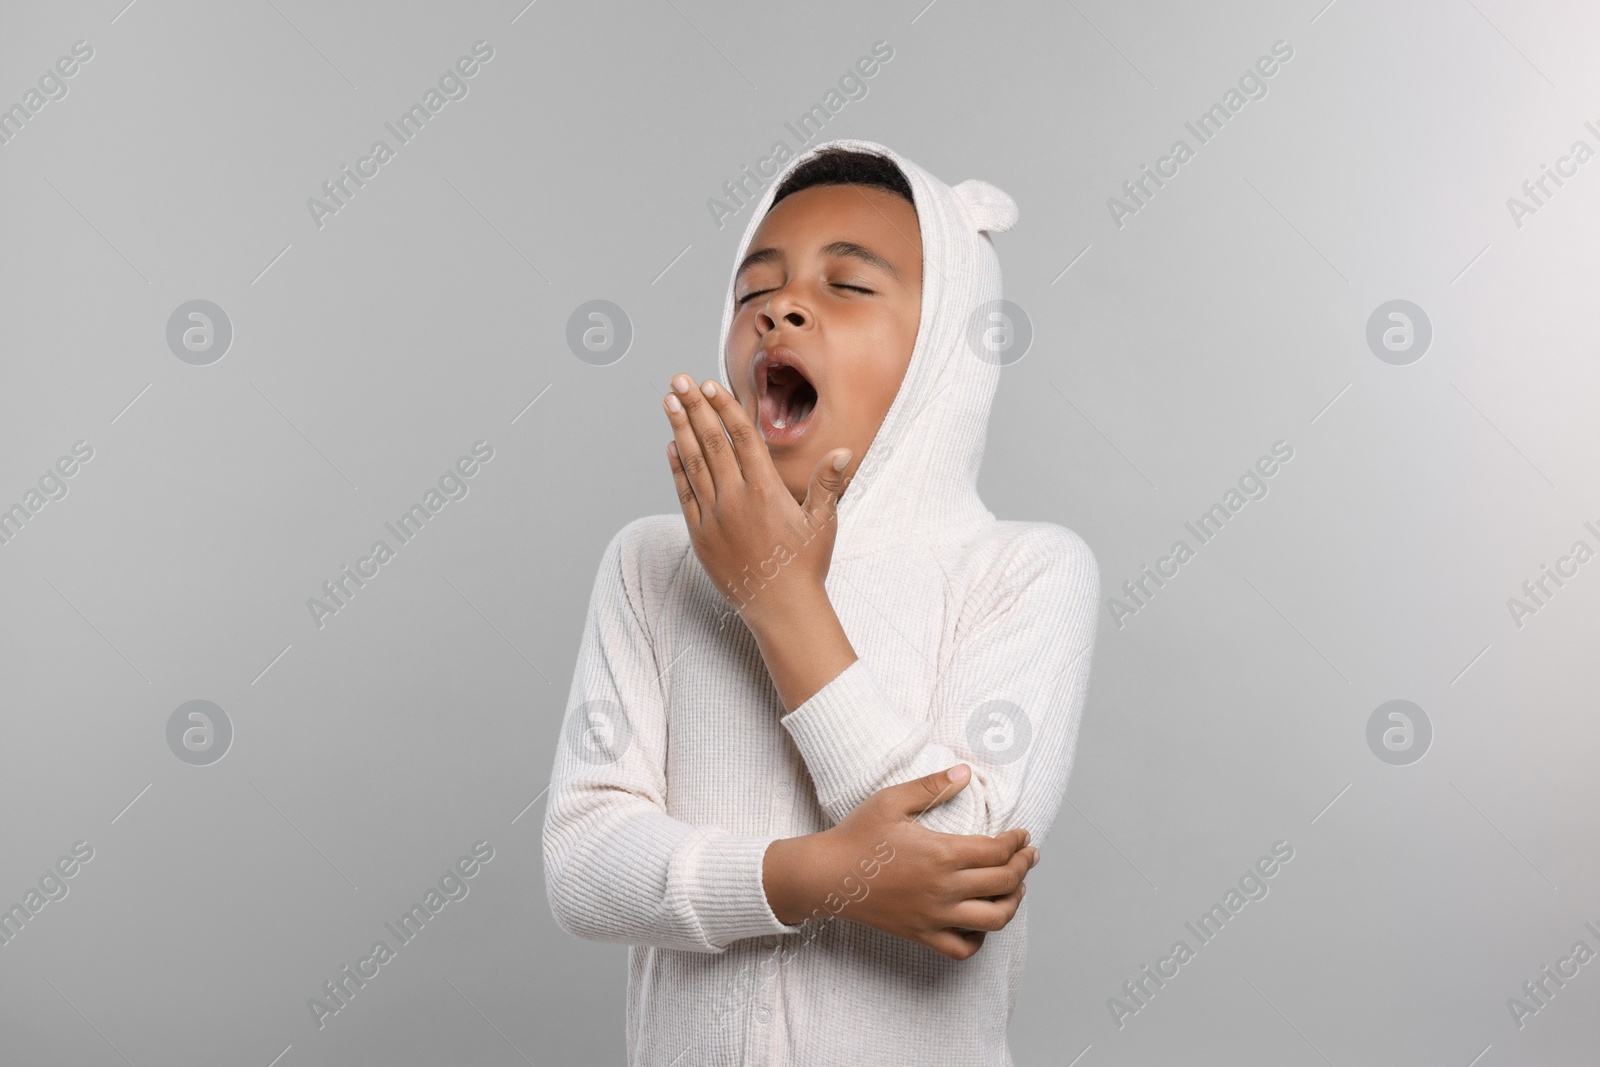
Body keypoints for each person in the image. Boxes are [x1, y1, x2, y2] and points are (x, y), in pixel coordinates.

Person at [543, 139, 1100, 1066]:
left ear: (943, 348)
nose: (780, 308)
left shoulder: (1024, 570)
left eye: (848, 286)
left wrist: (780, 601)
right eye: (753, 288)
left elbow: (963, 864)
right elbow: (584, 862)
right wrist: (810, 879)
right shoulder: (648, 564)